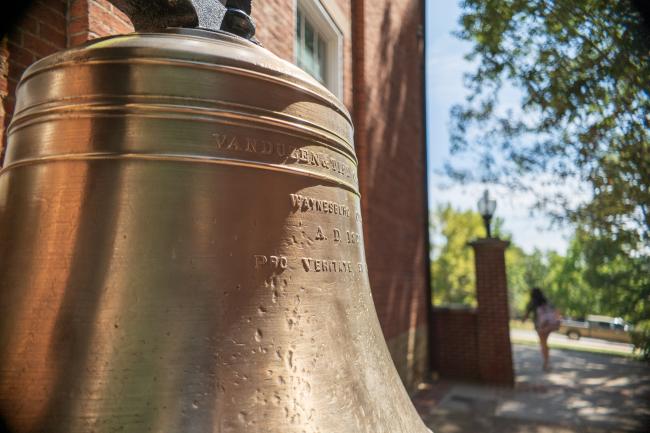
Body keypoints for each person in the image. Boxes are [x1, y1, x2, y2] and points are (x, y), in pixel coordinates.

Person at [522, 287, 559, 371]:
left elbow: (526, 314)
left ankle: (546, 362)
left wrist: (523, 320)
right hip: (549, 325)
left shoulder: (532, 303)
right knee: (544, 343)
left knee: (543, 343)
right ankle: (547, 362)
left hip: (540, 326)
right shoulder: (546, 301)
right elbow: (555, 311)